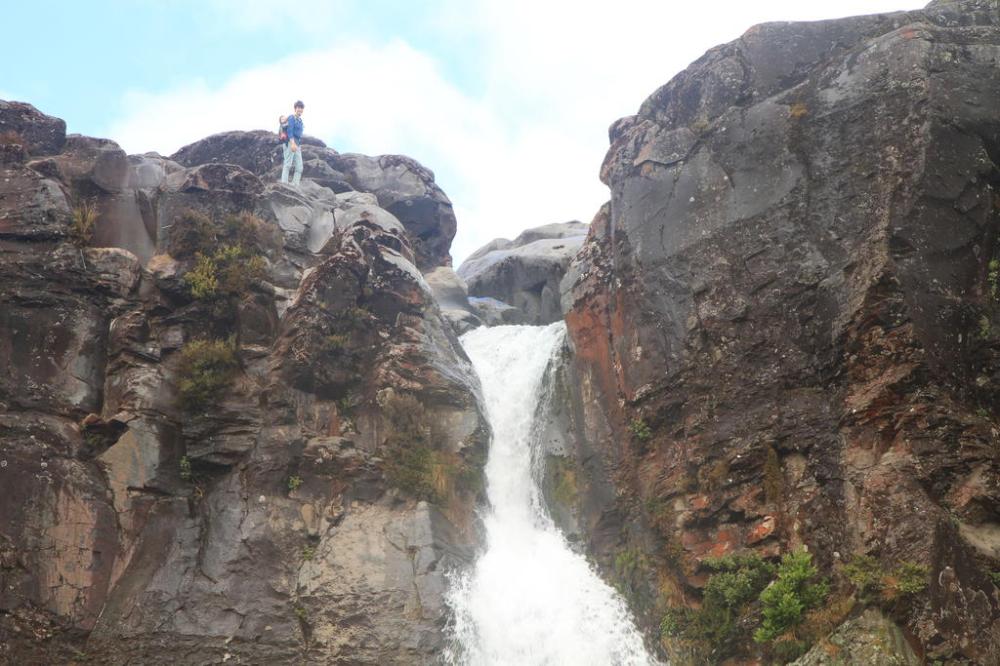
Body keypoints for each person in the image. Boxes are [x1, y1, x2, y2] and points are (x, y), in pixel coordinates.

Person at [280, 100, 305, 186]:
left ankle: (295, 185)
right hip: (290, 142)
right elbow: (290, 131)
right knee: (288, 164)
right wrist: (292, 143)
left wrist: (297, 144)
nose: (300, 109)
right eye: (298, 108)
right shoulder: (291, 117)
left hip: (297, 144)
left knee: (299, 167)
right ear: (295, 108)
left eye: (301, 108)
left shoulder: (300, 120)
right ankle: (284, 184)